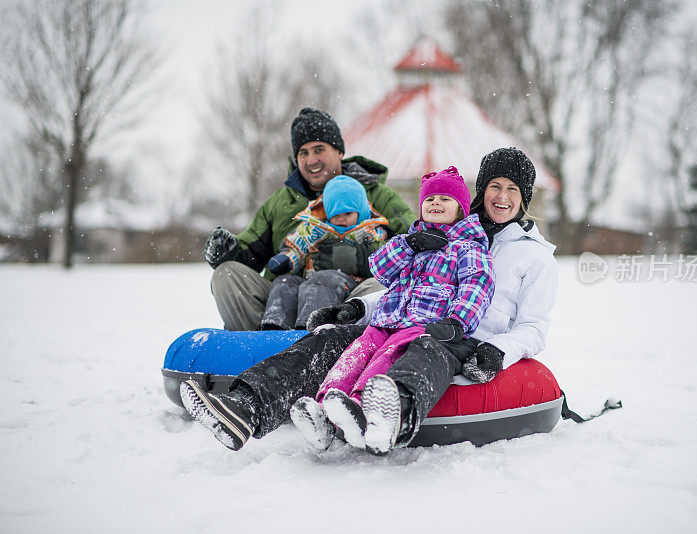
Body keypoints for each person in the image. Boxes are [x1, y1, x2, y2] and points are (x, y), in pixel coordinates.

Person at [179, 147, 556, 456]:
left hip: (458, 342)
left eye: (512, 189)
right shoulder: (446, 233)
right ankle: (246, 406)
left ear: (524, 197)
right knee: (329, 339)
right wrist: (358, 309)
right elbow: (408, 291)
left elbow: (534, 328)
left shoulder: (534, 257)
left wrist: (497, 351)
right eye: (495, 186)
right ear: (480, 191)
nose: (502, 197)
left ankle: (390, 414)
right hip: (404, 323)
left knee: (423, 351)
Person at [288, 167, 494, 451]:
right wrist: (410, 245)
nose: (435, 204)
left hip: (420, 325)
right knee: (355, 354)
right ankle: (326, 409)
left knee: (385, 359)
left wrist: (457, 322)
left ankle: (360, 408)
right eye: (429, 199)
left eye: (445, 200)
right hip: (386, 320)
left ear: (460, 209)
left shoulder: (467, 247)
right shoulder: (412, 241)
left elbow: (476, 286)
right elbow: (380, 268)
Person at [203, 107, 415, 331]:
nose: (311, 160)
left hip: (349, 299)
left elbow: (411, 246)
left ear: (339, 151)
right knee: (226, 274)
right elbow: (251, 253)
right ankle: (262, 345)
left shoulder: (374, 194)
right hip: (284, 298)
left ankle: (352, 349)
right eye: (303, 153)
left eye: (318, 149)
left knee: (379, 288)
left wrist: (360, 259)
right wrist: (229, 251)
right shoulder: (281, 202)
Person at [260, 175, 390, 330]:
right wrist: (287, 259)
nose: (341, 219)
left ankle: (309, 330)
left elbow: (382, 254)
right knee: (285, 282)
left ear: (360, 212)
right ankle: (274, 328)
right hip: (310, 280)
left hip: (351, 284)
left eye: (347, 214)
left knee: (325, 279)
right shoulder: (315, 229)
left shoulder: (369, 232)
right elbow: (299, 245)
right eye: (335, 214)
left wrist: (356, 257)